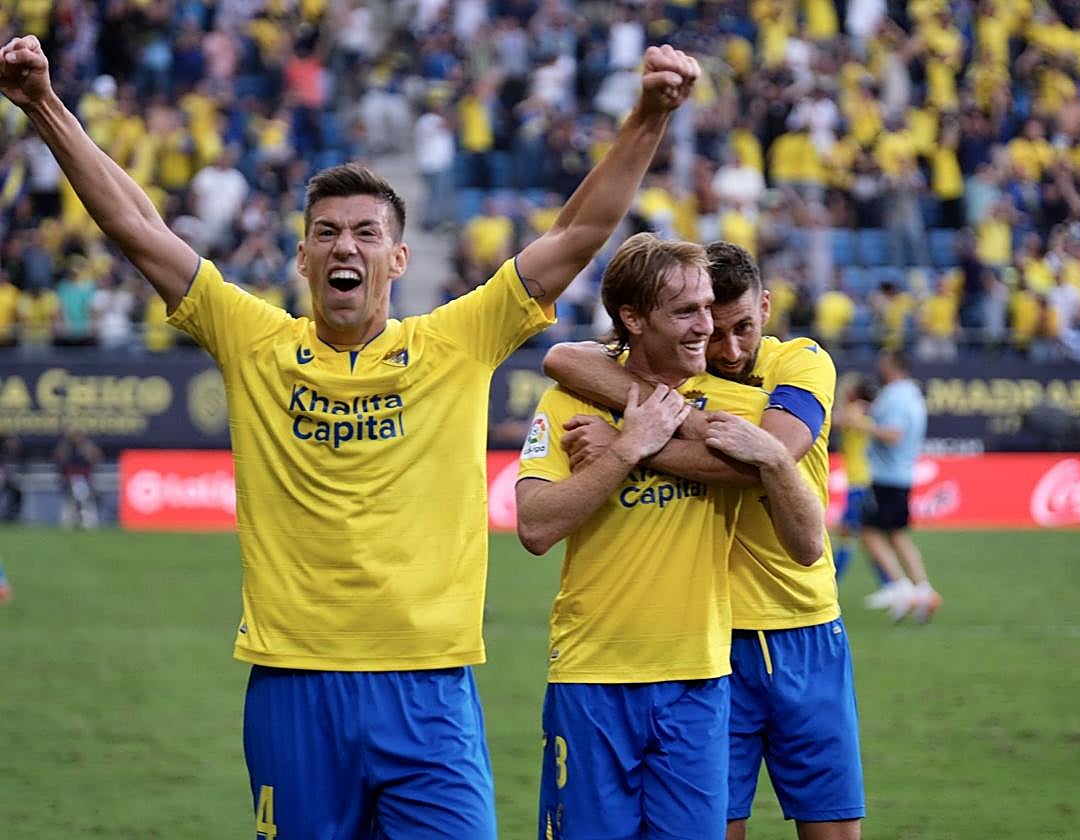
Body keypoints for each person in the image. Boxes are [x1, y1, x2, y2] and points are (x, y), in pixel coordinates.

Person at [0, 33, 701, 838]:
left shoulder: (457, 341)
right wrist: (43, 106)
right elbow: (135, 226)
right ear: (303, 257)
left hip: (429, 689)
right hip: (294, 684)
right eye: (327, 232)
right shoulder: (254, 341)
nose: (345, 246)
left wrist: (650, 115)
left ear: (398, 258)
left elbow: (578, 234)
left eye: (366, 232)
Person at [543, 241, 865, 840]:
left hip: (806, 623)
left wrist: (634, 444)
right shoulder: (682, 376)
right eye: (712, 329)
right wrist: (655, 429)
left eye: (744, 327)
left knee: (834, 827)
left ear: (765, 308)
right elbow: (562, 357)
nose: (729, 349)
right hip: (713, 643)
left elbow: (773, 453)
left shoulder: (800, 363)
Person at [858, 349, 941, 623]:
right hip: (902, 474)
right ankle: (924, 590)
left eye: (883, 360)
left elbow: (893, 434)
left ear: (892, 364)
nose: (878, 364)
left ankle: (902, 588)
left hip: (886, 475)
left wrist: (860, 424)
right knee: (897, 534)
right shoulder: (912, 394)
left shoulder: (895, 395)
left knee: (868, 532)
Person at [831, 372, 883, 584]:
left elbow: (834, 420)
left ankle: (834, 582)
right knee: (859, 535)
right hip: (860, 480)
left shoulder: (854, 411)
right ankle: (891, 583)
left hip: (859, 481)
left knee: (852, 534)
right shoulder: (864, 412)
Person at [53, 425, 102, 530]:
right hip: (69, 479)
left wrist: (86, 452)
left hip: (85, 479)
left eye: (79, 435)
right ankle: (68, 523)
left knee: (87, 501)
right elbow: (59, 462)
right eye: (75, 436)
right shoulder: (64, 447)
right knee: (69, 502)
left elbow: (96, 458)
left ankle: (89, 523)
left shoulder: (88, 446)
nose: (77, 438)